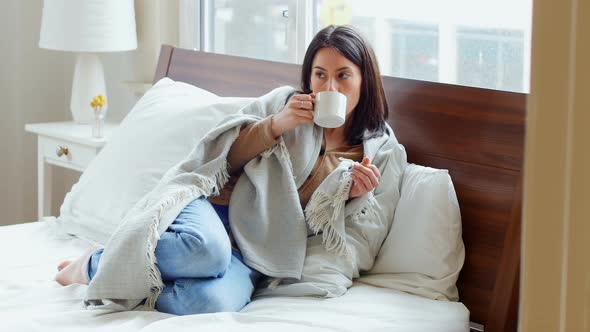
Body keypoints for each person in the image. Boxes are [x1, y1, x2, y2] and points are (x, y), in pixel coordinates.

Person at [55, 25, 394, 315]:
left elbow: (356, 236)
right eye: (320, 75)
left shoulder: (381, 152)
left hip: (257, 249)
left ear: (365, 79)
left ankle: (133, 272)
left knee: (207, 302)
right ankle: (93, 265)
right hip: (212, 208)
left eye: (343, 75)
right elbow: (220, 156)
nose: (329, 88)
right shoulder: (285, 104)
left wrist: (352, 198)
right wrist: (277, 124)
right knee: (205, 251)